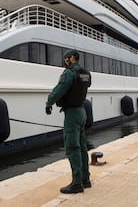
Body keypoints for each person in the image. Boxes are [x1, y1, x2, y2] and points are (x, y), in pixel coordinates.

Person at [45, 49, 92, 194]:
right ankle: (86, 179)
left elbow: (59, 89)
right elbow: (85, 86)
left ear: (71, 58)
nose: (64, 61)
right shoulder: (85, 73)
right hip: (82, 111)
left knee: (72, 147)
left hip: (72, 113)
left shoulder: (69, 73)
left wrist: (49, 103)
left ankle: (76, 183)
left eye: (66, 58)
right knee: (83, 146)